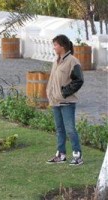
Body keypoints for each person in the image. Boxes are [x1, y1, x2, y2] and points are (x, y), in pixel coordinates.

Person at [46, 34, 84, 166]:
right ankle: (61, 155)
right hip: (55, 101)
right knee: (59, 129)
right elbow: (52, 80)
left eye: (55, 45)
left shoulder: (73, 61)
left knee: (70, 129)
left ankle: (77, 155)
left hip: (67, 102)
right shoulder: (56, 60)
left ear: (62, 46)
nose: (54, 47)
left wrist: (64, 93)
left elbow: (78, 80)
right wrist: (50, 93)